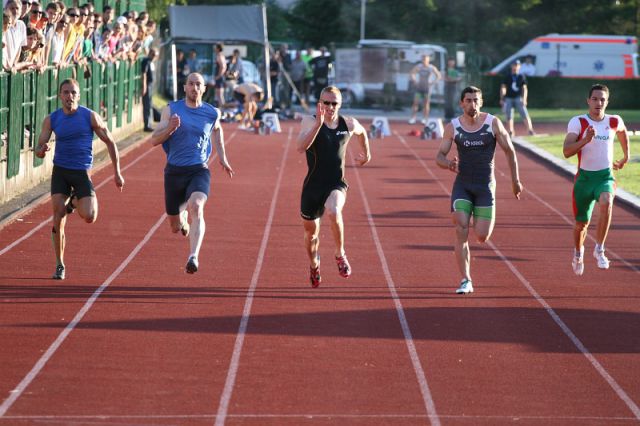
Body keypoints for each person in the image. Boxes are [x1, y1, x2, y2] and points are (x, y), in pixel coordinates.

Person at [435, 86, 523, 294]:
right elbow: (439, 156)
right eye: (468, 100)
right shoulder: (453, 127)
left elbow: (510, 152)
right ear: (461, 103)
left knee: (482, 236)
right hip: (463, 185)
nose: (472, 104)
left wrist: (515, 181)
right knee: (461, 227)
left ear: (481, 102)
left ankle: (479, 215)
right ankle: (466, 279)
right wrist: (448, 164)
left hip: (485, 186)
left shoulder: (492, 123)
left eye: (476, 100)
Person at [35, 78, 125, 280]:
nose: (70, 96)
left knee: (90, 216)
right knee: (57, 215)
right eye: (66, 92)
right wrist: (42, 150)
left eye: (73, 93)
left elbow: (110, 141)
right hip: (61, 171)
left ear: (79, 95)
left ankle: (73, 202)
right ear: (60, 96)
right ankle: (60, 264)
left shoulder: (89, 116)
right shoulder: (52, 119)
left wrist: (117, 172)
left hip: (81, 172)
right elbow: (38, 149)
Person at [149, 73, 234, 274]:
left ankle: (193, 256)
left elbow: (217, 130)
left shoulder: (212, 113)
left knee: (197, 206)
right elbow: (154, 139)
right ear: (185, 87)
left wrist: (222, 156)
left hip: (198, 170)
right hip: (174, 172)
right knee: (175, 226)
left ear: (204, 89)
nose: (195, 88)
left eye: (199, 84)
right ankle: (183, 219)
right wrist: (170, 128)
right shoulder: (171, 110)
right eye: (191, 84)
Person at [296, 86, 371, 288]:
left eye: (334, 103)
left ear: (340, 104)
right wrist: (318, 125)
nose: (330, 107)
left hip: (336, 183)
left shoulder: (348, 124)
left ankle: (340, 254)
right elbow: (300, 146)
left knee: (334, 210)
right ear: (320, 103)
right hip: (312, 187)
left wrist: (367, 154)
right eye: (326, 103)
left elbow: (363, 133)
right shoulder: (310, 120)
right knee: (311, 234)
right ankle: (314, 265)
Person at [562, 84, 630, 276]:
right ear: (588, 101)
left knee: (607, 202)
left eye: (602, 99)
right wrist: (585, 140)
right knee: (581, 225)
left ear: (607, 102)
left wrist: (626, 156)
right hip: (584, 180)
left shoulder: (614, 121)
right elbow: (567, 151)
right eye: (595, 99)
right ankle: (578, 253)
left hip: (604, 176)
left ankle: (599, 249)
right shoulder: (578, 122)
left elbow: (623, 133)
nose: (598, 103)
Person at [499, 60, 535, 136]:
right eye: (514, 65)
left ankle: (530, 130)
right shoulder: (507, 76)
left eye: (517, 65)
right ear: (511, 66)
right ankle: (511, 131)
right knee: (509, 115)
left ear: (519, 66)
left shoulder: (521, 76)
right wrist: (502, 98)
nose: (515, 66)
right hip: (508, 98)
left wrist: (524, 99)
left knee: (524, 114)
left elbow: (524, 88)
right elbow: (503, 87)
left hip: (518, 98)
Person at [408, 54, 441, 124]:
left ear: (428, 60)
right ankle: (413, 118)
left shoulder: (431, 67)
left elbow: (438, 75)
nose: (424, 61)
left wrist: (433, 82)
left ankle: (425, 118)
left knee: (426, 103)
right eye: (423, 59)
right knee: (415, 102)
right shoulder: (419, 66)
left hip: (427, 88)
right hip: (419, 88)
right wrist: (414, 80)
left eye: (425, 59)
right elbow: (412, 73)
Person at [141, 47, 157, 131]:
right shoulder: (146, 61)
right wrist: (144, 86)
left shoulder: (151, 62)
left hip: (151, 85)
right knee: (147, 105)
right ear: (150, 53)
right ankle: (147, 125)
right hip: (147, 85)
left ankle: (150, 123)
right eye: (153, 54)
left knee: (150, 105)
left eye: (155, 55)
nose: (154, 57)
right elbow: (143, 74)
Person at [444, 57, 462, 121]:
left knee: (452, 102)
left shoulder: (457, 70)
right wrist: (448, 79)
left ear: (454, 62)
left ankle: (452, 116)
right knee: (447, 102)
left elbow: (459, 78)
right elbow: (444, 77)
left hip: (454, 87)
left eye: (452, 61)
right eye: (450, 61)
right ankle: (446, 116)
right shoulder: (446, 69)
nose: (451, 63)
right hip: (447, 87)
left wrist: (453, 79)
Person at [213, 43, 227, 107]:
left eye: (216, 47)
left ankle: (223, 110)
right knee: (218, 94)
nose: (214, 49)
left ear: (218, 48)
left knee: (220, 95)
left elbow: (223, 67)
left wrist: (219, 76)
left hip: (219, 78)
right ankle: (220, 109)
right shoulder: (222, 56)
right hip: (220, 77)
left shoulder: (219, 56)